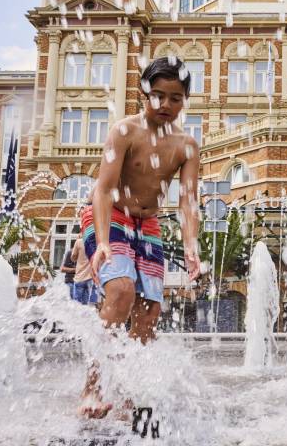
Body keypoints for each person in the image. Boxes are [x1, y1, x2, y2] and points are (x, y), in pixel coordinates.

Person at [78, 56, 201, 419]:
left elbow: (188, 201)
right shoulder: (125, 131)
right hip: (110, 215)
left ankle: (126, 390)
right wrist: (103, 241)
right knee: (121, 291)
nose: (166, 104)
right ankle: (93, 387)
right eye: (158, 95)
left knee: (149, 312)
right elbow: (103, 190)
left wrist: (190, 245)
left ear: (185, 100)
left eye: (175, 98)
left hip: (147, 224)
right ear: (145, 93)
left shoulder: (186, 145)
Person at [69, 238, 97, 305]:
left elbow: (73, 258)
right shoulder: (97, 241)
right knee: (90, 306)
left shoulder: (79, 241)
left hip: (80, 277)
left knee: (76, 305)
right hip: (92, 278)